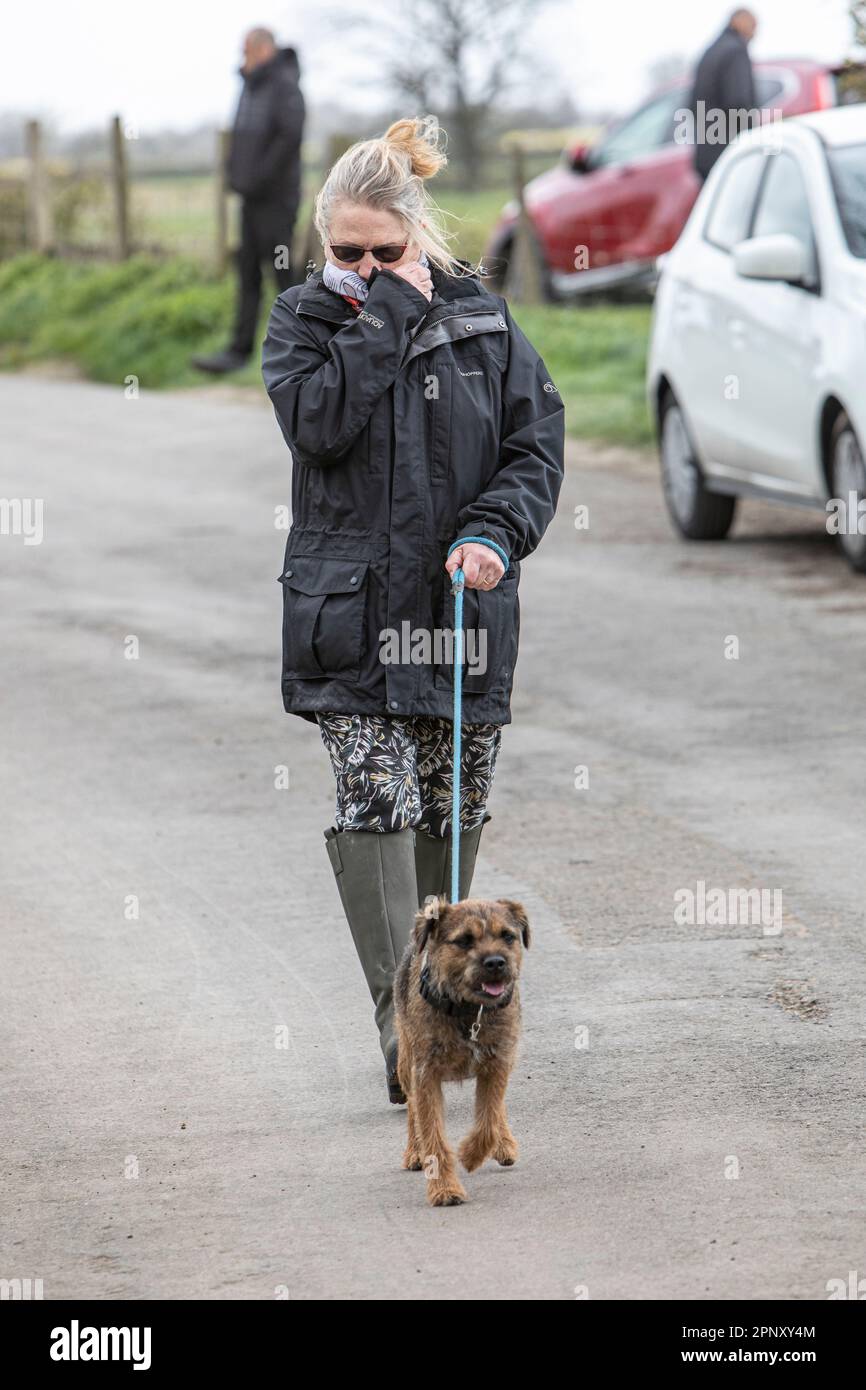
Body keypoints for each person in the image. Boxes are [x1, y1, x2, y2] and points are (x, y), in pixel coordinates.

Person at [261, 116, 565, 1105]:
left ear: (416, 234)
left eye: (385, 253)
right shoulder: (303, 323)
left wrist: (493, 533)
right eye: (343, 252)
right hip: (347, 620)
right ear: (322, 242)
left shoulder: (482, 318)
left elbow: (534, 445)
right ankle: (406, 1033)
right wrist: (388, 308)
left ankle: (448, 1014)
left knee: (450, 809)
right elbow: (321, 423)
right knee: (376, 804)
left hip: (460, 614)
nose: (362, 267)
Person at [193, 27, 305, 375]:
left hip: (276, 200)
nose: (244, 59)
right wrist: (234, 175)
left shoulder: (285, 84)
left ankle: (304, 349)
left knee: (283, 272)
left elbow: (289, 139)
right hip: (250, 200)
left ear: (264, 48)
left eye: (248, 51)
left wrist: (258, 180)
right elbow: (240, 135)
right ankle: (238, 352)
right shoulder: (248, 86)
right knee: (247, 273)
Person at [688, 8, 758, 182]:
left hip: (708, 155)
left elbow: (693, 104)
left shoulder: (711, 51)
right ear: (738, 21)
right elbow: (738, 102)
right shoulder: (735, 51)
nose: (754, 33)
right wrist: (753, 139)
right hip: (730, 155)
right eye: (753, 26)